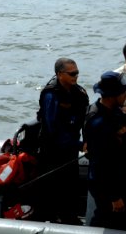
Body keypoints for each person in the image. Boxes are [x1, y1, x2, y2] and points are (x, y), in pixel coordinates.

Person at [36, 57, 89, 224]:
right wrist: (79, 144)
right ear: (60, 74)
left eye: (77, 73)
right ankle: (49, 218)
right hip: (52, 149)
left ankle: (69, 216)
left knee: (71, 184)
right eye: (72, 74)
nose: (75, 76)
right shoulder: (51, 95)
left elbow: (85, 120)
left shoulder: (79, 93)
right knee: (53, 186)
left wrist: (86, 141)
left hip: (71, 147)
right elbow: (53, 129)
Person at [84, 71, 126, 230]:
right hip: (107, 183)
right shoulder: (98, 122)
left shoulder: (114, 112)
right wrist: (114, 197)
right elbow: (102, 163)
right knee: (107, 218)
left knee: (120, 221)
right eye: (123, 93)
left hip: (120, 175)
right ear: (112, 95)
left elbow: (119, 138)